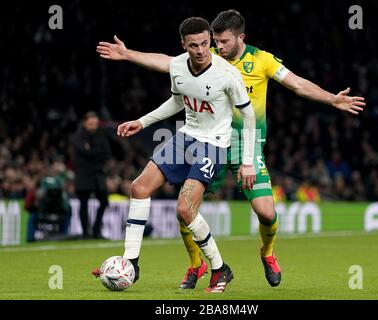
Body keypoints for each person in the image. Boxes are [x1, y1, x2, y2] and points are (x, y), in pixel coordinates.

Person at [96, 10, 366, 289]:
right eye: (214, 41)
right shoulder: (205, 57)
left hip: (241, 144)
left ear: (240, 38)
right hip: (202, 138)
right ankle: (194, 265)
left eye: (222, 42)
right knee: (184, 209)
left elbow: (297, 85)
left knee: (266, 213)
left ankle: (267, 252)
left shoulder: (261, 61)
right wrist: (129, 57)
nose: (216, 47)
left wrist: (332, 99)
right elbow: (171, 67)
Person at [93, 17, 257, 293]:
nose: (202, 50)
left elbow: (249, 115)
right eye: (194, 45)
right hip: (185, 137)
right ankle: (131, 263)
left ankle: (220, 269)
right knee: (139, 187)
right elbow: (178, 100)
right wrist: (143, 122)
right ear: (184, 45)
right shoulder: (179, 65)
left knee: (184, 209)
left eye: (206, 43)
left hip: (213, 144)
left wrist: (248, 161)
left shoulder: (227, 74)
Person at [72, 111, 112, 239]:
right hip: (83, 174)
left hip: (98, 174)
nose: (93, 125)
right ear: (85, 123)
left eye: (95, 122)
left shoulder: (101, 135)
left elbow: (106, 153)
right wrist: (95, 151)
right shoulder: (78, 137)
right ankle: (85, 233)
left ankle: (96, 231)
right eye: (91, 123)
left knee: (104, 202)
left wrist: (92, 150)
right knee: (84, 203)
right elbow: (85, 152)